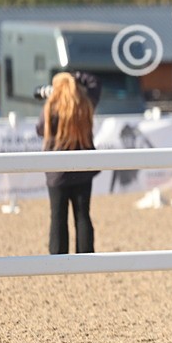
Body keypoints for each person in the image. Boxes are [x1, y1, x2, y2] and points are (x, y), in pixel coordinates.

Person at [35, 71, 102, 254]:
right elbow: (95, 82)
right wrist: (75, 76)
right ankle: (85, 257)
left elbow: (40, 129)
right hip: (83, 169)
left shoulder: (51, 107)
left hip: (57, 172)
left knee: (57, 216)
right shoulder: (85, 104)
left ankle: (58, 258)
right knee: (82, 215)